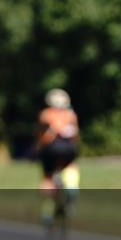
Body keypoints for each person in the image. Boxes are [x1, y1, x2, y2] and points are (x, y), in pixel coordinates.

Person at [36, 89, 80, 224]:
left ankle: (47, 213)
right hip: (68, 150)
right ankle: (72, 188)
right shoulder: (71, 115)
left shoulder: (45, 114)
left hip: (50, 150)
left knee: (48, 177)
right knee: (71, 166)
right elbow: (76, 137)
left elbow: (41, 137)